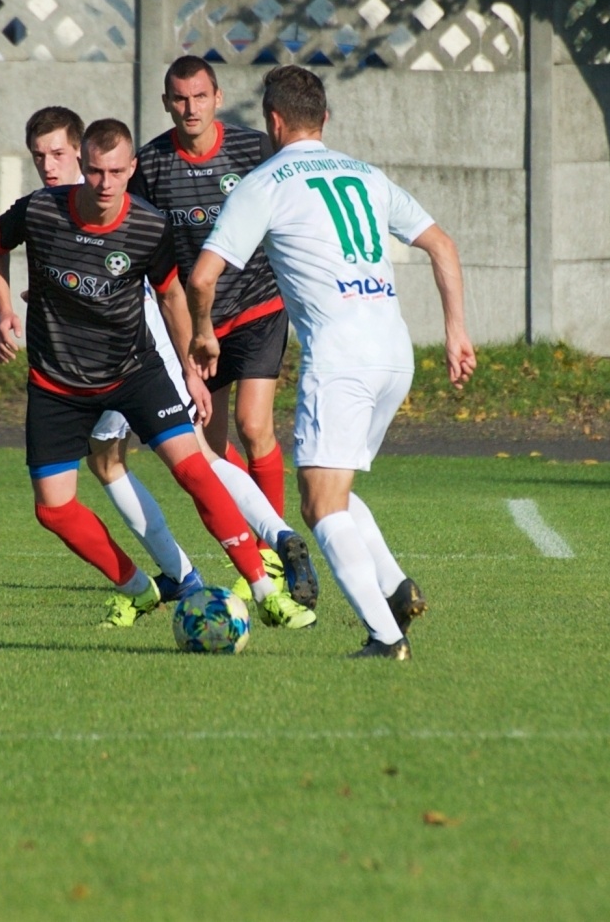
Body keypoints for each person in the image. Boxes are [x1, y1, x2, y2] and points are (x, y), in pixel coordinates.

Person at [0, 116, 317, 630]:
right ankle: (140, 588)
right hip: (57, 383)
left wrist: (189, 367)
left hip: (134, 369)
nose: (103, 183)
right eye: (95, 172)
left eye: (115, 171)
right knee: (54, 508)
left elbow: (169, 294)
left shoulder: (146, 225)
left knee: (194, 467)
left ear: (130, 169)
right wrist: (3, 308)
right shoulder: (40, 212)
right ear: (85, 167)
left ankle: (265, 586)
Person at [187, 66, 476, 660]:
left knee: (318, 504)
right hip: (394, 352)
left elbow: (201, 276)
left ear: (272, 121)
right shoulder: (365, 174)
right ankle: (396, 588)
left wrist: (203, 335)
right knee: (334, 483)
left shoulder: (265, 182)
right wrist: (456, 333)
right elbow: (442, 244)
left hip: (341, 358)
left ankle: (385, 637)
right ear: (324, 118)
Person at [129, 60, 300, 554]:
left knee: (254, 425)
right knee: (208, 450)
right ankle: (255, 538)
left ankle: (276, 552)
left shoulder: (255, 149)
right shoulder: (152, 164)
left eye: (199, 97)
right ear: (166, 103)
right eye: (180, 99)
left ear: (218, 98)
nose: (190, 108)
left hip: (258, 306)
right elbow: (130, 235)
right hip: (196, 322)